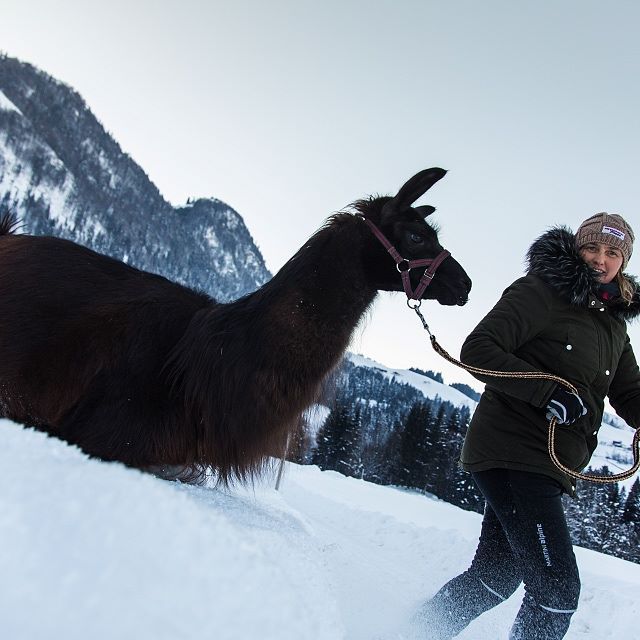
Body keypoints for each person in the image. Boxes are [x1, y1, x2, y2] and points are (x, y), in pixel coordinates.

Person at [417, 213, 640, 640]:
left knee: (494, 577)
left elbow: (629, 392)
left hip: (548, 464)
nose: (600, 259)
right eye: (592, 247)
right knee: (556, 590)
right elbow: (479, 348)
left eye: (612, 252)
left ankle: (412, 632)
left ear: (623, 262)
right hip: (513, 450)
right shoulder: (541, 291)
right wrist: (546, 391)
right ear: (577, 248)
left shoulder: (613, 326)